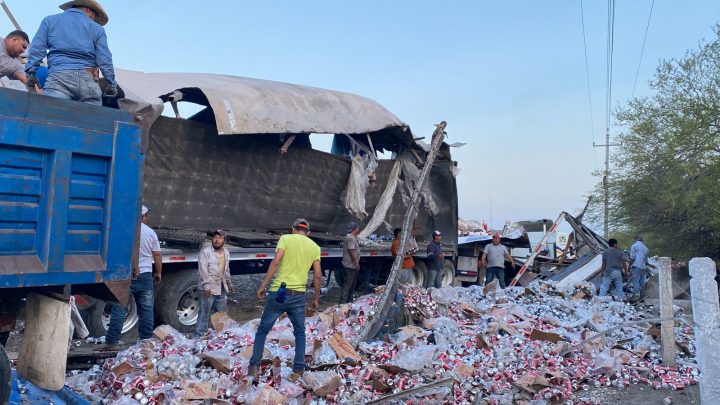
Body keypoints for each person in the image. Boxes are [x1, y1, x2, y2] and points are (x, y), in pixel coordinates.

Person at [248, 218, 322, 380]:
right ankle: (298, 369)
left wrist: (263, 285)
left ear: (293, 229)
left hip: (279, 292)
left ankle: (254, 367)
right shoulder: (314, 247)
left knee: (262, 330)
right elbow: (317, 275)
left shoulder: (285, 239)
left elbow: (276, 262)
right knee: (300, 333)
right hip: (298, 295)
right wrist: (315, 298)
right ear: (307, 232)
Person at [25, 0, 117, 105]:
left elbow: (36, 48)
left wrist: (31, 73)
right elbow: (105, 59)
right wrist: (111, 83)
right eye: (94, 16)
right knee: (91, 118)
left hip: (59, 78)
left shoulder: (50, 20)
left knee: (53, 115)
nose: (94, 20)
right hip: (88, 80)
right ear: (88, 10)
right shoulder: (98, 29)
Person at [106, 205, 161, 345]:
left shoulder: (124, 231)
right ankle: (146, 341)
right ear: (143, 217)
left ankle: (112, 341)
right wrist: (158, 272)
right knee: (146, 310)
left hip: (125, 275)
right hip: (145, 275)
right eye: (146, 215)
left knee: (119, 308)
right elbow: (157, 255)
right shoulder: (151, 233)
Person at [194, 230, 235, 337]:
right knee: (204, 313)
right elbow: (203, 270)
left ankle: (221, 336)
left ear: (224, 241)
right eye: (215, 237)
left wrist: (229, 283)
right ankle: (198, 336)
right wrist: (206, 286)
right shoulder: (205, 252)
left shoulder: (226, 252)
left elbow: (226, 270)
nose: (217, 240)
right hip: (208, 288)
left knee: (222, 312)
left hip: (221, 287)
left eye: (220, 238)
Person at [339, 221, 361, 303]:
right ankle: (342, 305)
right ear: (355, 229)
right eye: (357, 228)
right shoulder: (351, 238)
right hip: (350, 266)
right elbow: (352, 251)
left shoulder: (350, 237)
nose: (358, 229)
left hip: (351, 266)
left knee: (351, 286)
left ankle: (349, 303)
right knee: (347, 286)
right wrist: (356, 263)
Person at [629, 235, 650, 299]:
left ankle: (636, 296)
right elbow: (646, 261)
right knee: (642, 282)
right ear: (642, 240)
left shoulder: (634, 246)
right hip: (643, 267)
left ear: (635, 239)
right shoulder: (646, 248)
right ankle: (642, 296)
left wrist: (629, 265)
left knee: (635, 281)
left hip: (636, 266)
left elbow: (632, 257)